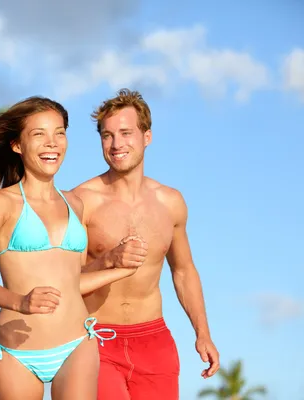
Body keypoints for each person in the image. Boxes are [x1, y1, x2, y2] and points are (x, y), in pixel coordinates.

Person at [0, 96, 143, 400]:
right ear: (17, 145)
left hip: (76, 343)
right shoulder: (0, 204)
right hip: (17, 351)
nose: (52, 143)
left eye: (59, 132)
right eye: (39, 134)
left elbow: (72, 282)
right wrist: (20, 301)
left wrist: (118, 269)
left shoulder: (75, 204)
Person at [73, 88, 220, 400]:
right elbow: (66, 280)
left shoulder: (171, 203)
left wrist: (202, 333)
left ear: (147, 137)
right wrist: (107, 260)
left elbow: (183, 270)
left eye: (126, 133)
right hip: (97, 338)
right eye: (107, 135)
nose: (116, 144)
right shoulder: (81, 202)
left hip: (154, 342)